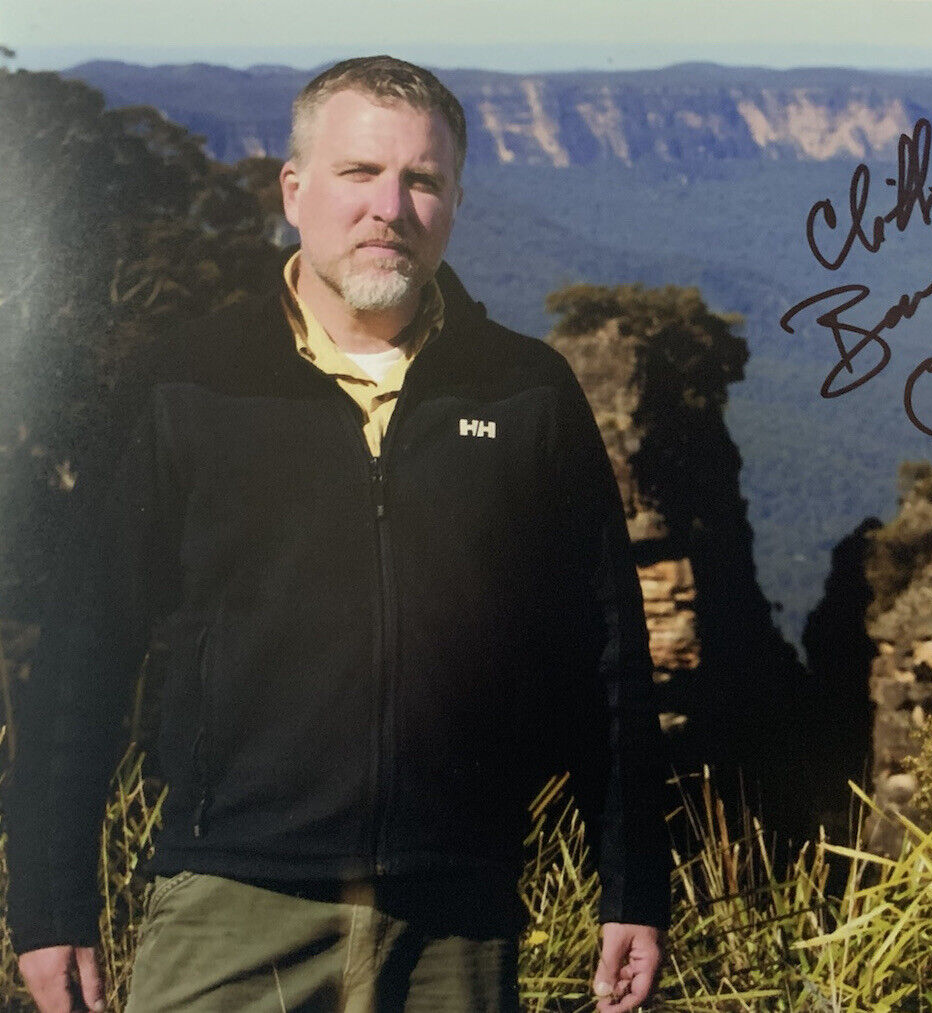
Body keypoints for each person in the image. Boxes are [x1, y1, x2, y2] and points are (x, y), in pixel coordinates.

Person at [7, 55, 669, 1012]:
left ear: (454, 201)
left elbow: (609, 656)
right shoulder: (186, 382)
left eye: (423, 179)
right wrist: (51, 902)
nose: (388, 206)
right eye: (359, 173)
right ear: (294, 190)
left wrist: (634, 881)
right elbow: (82, 647)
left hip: (457, 915)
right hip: (233, 904)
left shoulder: (529, 393)